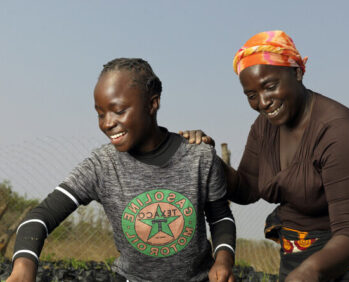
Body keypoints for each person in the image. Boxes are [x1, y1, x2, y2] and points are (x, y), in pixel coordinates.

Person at [180, 30, 349, 281]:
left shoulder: (339, 132)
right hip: (297, 255)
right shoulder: (264, 127)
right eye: (251, 95)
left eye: (270, 86)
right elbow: (247, 188)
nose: (263, 102)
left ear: (298, 73)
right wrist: (207, 158)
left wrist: (307, 274)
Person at [7, 58, 236, 282]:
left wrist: (223, 261)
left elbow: (220, 218)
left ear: (152, 103)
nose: (107, 123)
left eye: (118, 110)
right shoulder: (102, 165)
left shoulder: (199, 157)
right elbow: (39, 218)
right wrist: (23, 266)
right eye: (100, 113)